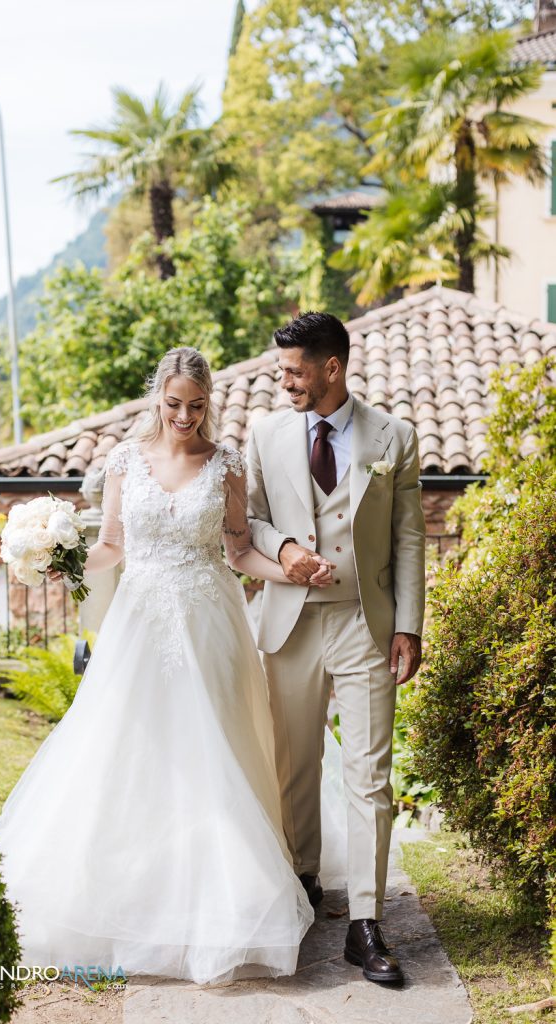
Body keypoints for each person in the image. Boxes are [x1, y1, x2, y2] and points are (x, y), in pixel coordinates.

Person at [0, 346, 346, 987]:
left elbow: (239, 553)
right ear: (158, 397)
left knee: (215, 753)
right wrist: (59, 561)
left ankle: (226, 897)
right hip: (141, 624)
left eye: (196, 406)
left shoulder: (226, 464)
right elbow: (111, 546)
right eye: (175, 404)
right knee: (131, 748)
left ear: (209, 404)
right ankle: (128, 886)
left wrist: (293, 573)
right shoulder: (126, 461)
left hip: (211, 623)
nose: (185, 416)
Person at [246, 311, 426, 985]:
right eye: (281, 371)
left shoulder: (393, 436)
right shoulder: (265, 434)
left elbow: (409, 536)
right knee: (294, 764)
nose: (285, 382)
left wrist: (409, 624)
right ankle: (303, 884)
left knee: (369, 774)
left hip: (363, 621)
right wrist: (285, 548)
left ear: (331, 368)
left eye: (295, 371)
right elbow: (249, 519)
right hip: (289, 623)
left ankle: (365, 922)